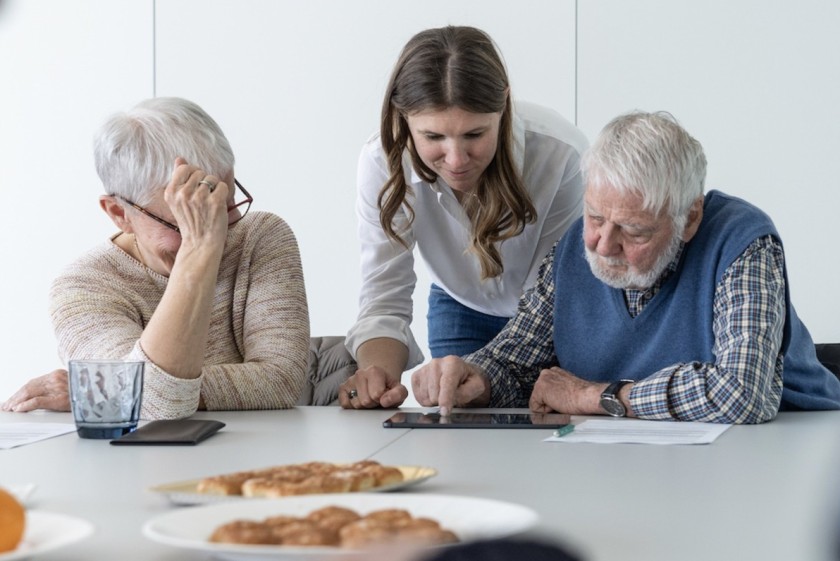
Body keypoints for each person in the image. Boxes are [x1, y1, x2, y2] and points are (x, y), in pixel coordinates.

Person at [409, 110, 840, 423]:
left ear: (689, 218)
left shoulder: (742, 242)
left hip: (789, 444)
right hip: (638, 456)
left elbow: (743, 394)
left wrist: (598, 396)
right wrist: (476, 377)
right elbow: (517, 363)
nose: (603, 244)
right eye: (596, 217)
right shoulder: (574, 250)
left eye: (634, 232)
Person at [1, 97, 310, 419]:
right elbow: (157, 402)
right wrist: (200, 248)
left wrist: (108, 390)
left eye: (224, 204)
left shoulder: (260, 236)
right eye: (185, 217)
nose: (217, 230)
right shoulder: (82, 287)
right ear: (120, 213)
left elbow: (281, 381)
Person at [341, 25, 588, 410]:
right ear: (403, 118)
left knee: (544, 429)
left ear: (503, 106)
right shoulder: (381, 162)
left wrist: (492, 372)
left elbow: (549, 299)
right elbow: (384, 296)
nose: (456, 160)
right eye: (434, 137)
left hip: (549, 316)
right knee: (456, 428)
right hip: (459, 305)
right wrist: (377, 376)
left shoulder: (560, 154)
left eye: (475, 134)